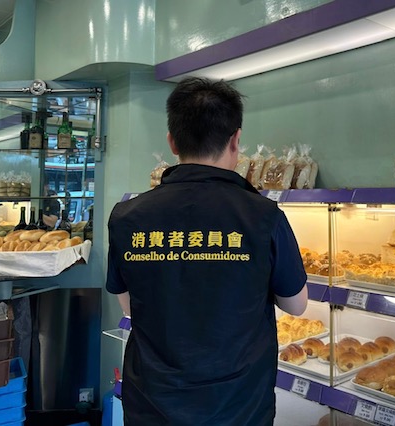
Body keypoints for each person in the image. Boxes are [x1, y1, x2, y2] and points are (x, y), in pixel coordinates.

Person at [105, 77, 308, 426]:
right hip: (238, 407)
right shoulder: (264, 216)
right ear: (236, 140)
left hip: (153, 404)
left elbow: (130, 306)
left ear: (172, 141)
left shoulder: (127, 216)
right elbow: (296, 305)